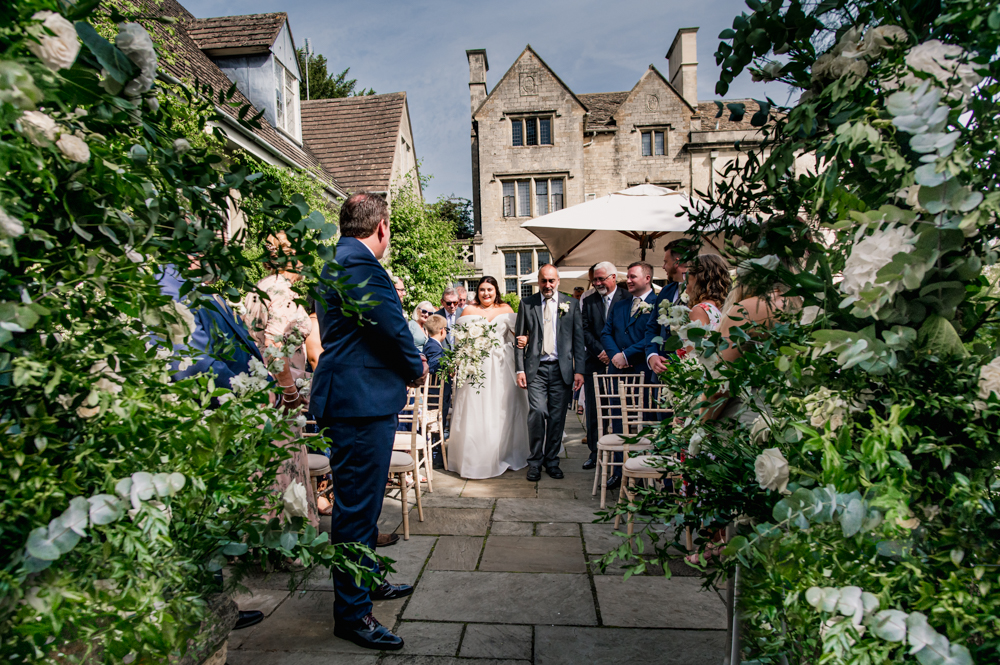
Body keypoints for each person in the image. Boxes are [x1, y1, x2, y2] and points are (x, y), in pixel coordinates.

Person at [309, 192, 427, 651]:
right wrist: (416, 365)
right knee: (357, 509)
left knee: (365, 503)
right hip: (358, 403)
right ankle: (353, 614)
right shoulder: (361, 265)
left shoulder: (336, 259)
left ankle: (367, 578)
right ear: (381, 227)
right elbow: (390, 326)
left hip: (355, 398)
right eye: (390, 229)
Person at [157, 264, 271, 632]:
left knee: (207, 515)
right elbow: (189, 362)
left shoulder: (197, 285)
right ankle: (203, 614)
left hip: (219, 417)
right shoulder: (169, 282)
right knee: (197, 516)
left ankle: (213, 606)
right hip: (199, 420)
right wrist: (249, 383)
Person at [240, 232, 322, 516]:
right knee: (280, 471)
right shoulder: (281, 293)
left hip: (259, 392)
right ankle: (284, 549)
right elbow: (274, 348)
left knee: (263, 471)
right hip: (278, 399)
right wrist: (290, 392)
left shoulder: (260, 287)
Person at [447, 276, 530, 479]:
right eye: (483, 289)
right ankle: (476, 457)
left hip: (502, 366)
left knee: (504, 408)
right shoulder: (468, 310)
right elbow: (459, 341)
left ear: (496, 290)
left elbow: (516, 334)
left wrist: (524, 339)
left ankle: (504, 452)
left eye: (490, 289)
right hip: (476, 367)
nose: (486, 293)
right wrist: (457, 362)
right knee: (476, 409)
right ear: (478, 291)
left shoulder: (506, 309)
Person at [514, 265, 586, 481]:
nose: (548, 285)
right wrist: (519, 369)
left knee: (557, 418)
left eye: (551, 281)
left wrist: (579, 370)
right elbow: (518, 340)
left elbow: (578, 339)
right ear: (539, 281)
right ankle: (534, 462)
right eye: (544, 281)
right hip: (535, 368)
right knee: (536, 413)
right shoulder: (527, 303)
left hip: (561, 369)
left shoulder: (571, 304)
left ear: (558, 281)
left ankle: (552, 461)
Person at [599, 261, 658, 490]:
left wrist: (627, 355)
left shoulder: (658, 304)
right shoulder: (621, 305)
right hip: (617, 372)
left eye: (633, 276)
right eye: (628, 277)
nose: (628, 280)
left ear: (648, 278)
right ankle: (618, 471)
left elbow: (653, 337)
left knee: (644, 422)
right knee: (617, 420)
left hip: (643, 372)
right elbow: (607, 332)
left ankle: (643, 474)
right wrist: (615, 356)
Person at [580, 261, 629, 469]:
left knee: (619, 410)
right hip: (595, 361)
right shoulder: (589, 301)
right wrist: (599, 351)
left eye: (601, 279)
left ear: (614, 277)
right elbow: (584, 329)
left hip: (622, 363)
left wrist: (615, 353)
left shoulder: (627, 298)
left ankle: (620, 455)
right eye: (595, 279)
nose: (598, 283)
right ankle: (595, 451)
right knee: (594, 409)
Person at [645, 240, 691, 375]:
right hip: (663, 369)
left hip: (692, 370)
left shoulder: (703, 291)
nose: (663, 267)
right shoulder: (666, 291)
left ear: (676, 262)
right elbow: (651, 327)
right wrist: (652, 355)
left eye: (666, 262)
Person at [681, 254, 732, 351]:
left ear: (698, 277)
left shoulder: (700, 310)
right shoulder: (725, 307)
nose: (685, 281)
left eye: (687, 275)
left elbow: (694, 355)